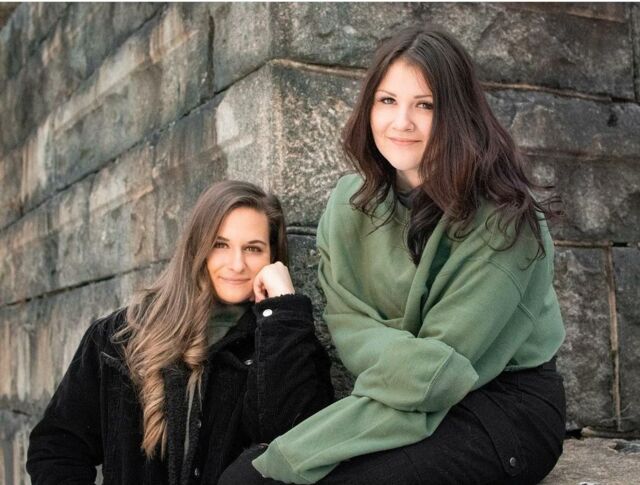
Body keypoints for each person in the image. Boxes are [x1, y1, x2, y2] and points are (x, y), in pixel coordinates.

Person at [220, 26, 566, 485]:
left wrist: (307, 448)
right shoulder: (349, 207)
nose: (401, 122)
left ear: (457, 114)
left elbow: (443, 369)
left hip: (502, 407)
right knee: (245, 477)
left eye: (425, 105)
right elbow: (350, 327)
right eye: (387, 100)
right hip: (397, 396)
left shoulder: (505, 220)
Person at [26, 180, 334, 485]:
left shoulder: (286, 343)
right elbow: (56, 448)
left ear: (272, 257)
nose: (237, 264)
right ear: (198, 247)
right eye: (220, 244)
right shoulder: (120, 337)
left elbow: (298, 448)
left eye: (253, 249)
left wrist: (283, 309)